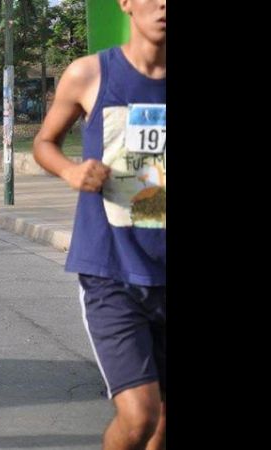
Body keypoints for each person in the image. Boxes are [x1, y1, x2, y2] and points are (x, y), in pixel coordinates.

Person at [32, 1, 166, 448]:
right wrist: (71, 171)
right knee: (138, 415)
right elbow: (44, 143)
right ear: (126, 2)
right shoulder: (89, 74)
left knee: (161, 423)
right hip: (112, 270)